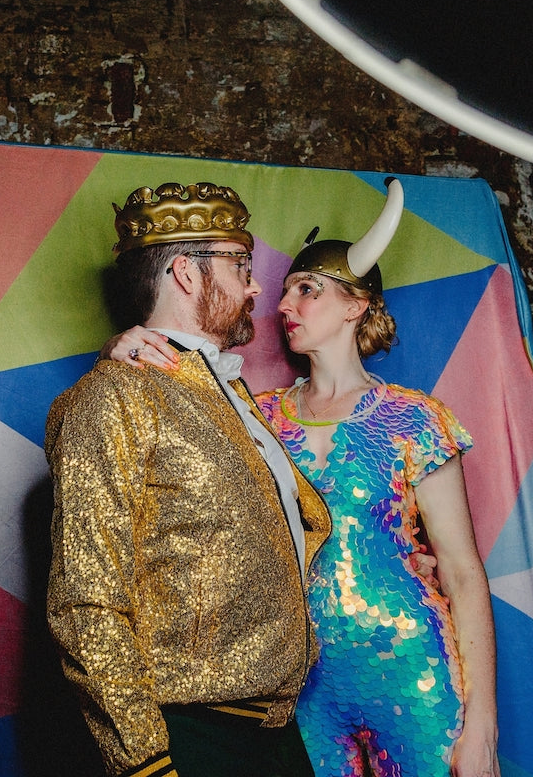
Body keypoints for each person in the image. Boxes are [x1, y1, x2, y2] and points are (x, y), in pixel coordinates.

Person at [106, 179, 501, 777]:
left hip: (413, 671)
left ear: (356, 304)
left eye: (307, 290)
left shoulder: (415, 419)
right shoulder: (254, 415)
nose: (283, 305)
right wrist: (129, 346)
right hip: (301, 691)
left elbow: (464, 572)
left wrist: (483, 727)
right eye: (285, 291)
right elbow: (169, 415)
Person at [45, 181, 333, 777]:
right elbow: (85, 601)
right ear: (185, 272)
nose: (256, 287)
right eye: (240, 266)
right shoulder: (114, 395)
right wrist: (146, 762)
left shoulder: (231, 396)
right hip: (186, 735)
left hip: (273, 731)